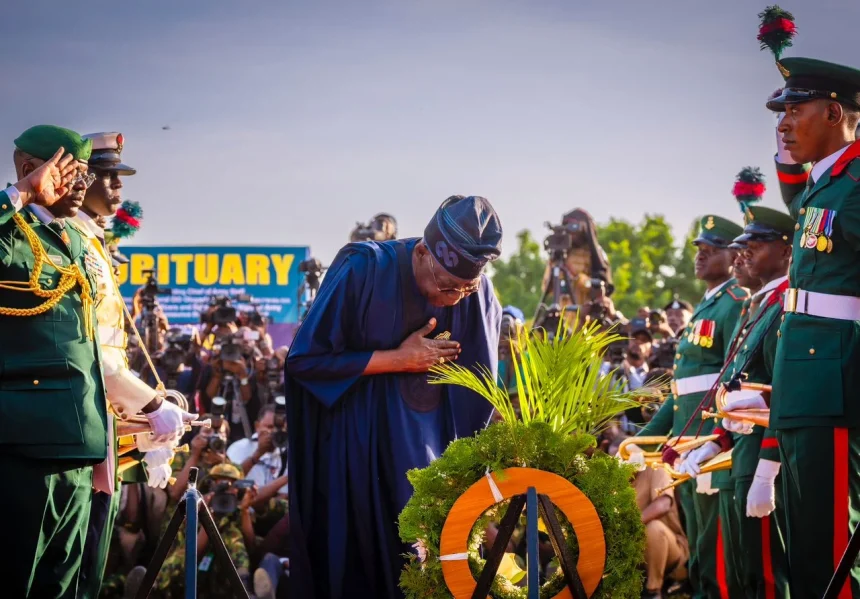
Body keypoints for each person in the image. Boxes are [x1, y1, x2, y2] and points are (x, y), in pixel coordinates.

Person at [0, 126, 187, 598]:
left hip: (82, 441)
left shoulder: (80, 245)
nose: (82, 186)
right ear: (29, 169)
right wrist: (20, 194)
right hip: (24, 445)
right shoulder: (12, 238)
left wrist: (139, 415)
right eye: (73, 173)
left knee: (69, 586)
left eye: (88, 175)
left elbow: (90, 353)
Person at [286, 195, 503, 599]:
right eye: (444, 285)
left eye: (464, 289)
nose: (453, 299)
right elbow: (305, 360)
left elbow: (480, 390)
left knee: (424, 569)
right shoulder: (362, 269)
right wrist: (398, 359)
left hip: (430, 453)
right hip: (356, 456)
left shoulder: (478, 294)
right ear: (422, 251)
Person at [71, 131, 195, 598]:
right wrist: (152, 403)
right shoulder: (76, 246)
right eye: (108, 176)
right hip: (77, 422)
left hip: (100, 421)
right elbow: (92, 350)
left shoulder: (95, 244)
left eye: (120, 177)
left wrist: (148, 417)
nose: (118, 187)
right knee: (75, 562)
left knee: (89, 562)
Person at [767, 56, 860, 596]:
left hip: (835, 382)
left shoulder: (853, 185)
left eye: (793, 110)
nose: (782, 123)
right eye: (780, 111)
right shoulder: (820, 188)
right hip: (805, 383)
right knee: (805, 543)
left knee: (827, 547)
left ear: (832, 113)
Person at [680, 205, 794, 598]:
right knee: (745, 572)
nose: (743, 253)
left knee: (764, 577)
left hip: (764, 457)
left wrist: (766, 467)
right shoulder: (757, 306)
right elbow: (734, 389)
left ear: (787, 252)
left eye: (756, 244)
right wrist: (715, 440)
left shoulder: (783, 305)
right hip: (741, 453)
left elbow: (783, 393)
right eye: (743, 245)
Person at [631, 214, 748, 599]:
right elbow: (681, 393)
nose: (700, 257)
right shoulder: (706, 307)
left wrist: (716, 441)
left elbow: (734, 380)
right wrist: (640, 442)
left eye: (710, 250)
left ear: (733, 256)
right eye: (698, 249)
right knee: (699, 546)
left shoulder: (735, 303)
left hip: (713, 446)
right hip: (687, 449)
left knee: (716, 552)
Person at [612, 435, 689, 599]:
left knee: (653, 528)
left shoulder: (654, 467)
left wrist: (630, 525)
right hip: (633, 553)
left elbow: (663, 504)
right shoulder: (614, 482)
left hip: (669, 551)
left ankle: (653, 591)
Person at [227, 406, 289, 494]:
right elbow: (230, 481)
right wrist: (258, 453)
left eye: (279, 428)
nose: (274, 432)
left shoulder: (288, 454)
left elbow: (285, 493)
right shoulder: (239, 447)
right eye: (270, 427)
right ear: (257, 426)